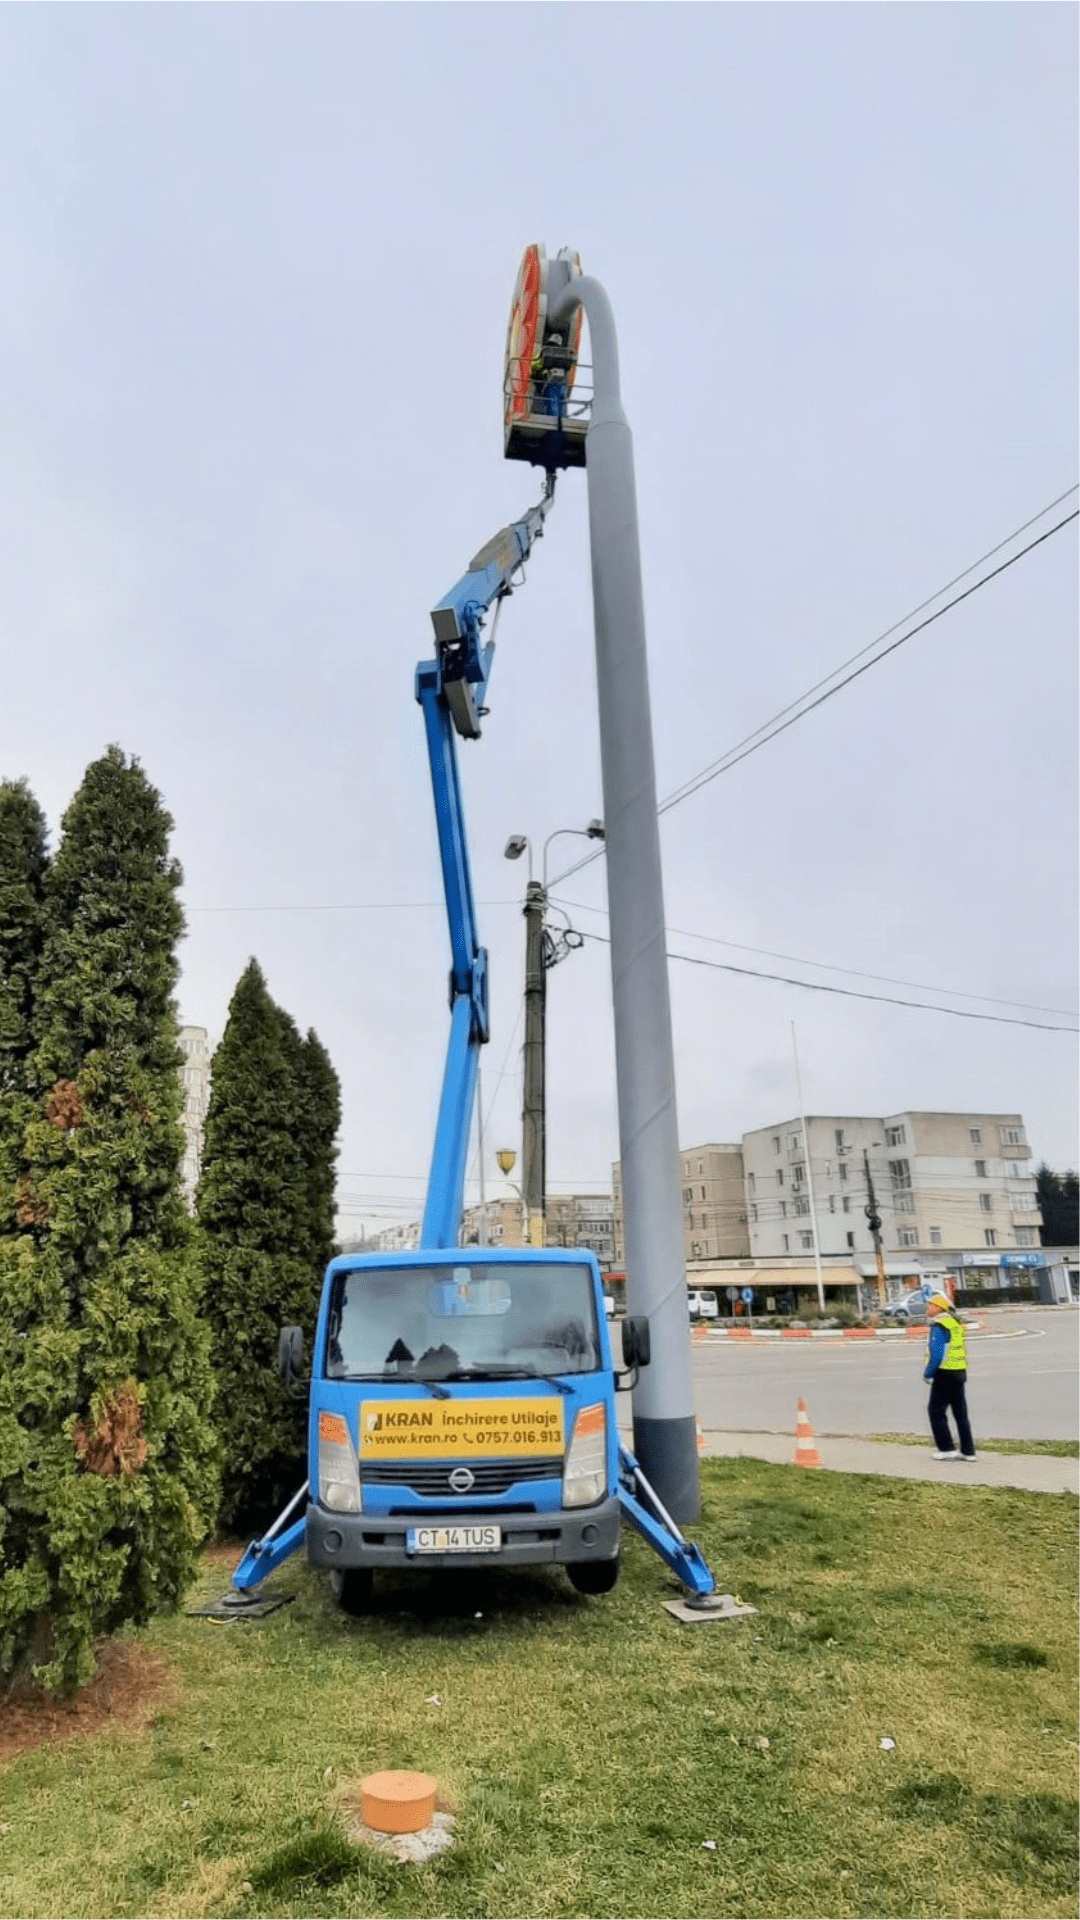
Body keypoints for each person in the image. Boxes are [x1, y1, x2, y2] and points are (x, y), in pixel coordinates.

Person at [923, 1292, 977, 1460]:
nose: (927, 1308)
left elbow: (937, 1354)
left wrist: (928, 1373)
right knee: (960, 1414)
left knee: (936, 1411)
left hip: (944, 1373)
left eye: (930, 1305)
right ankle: (968, 1451)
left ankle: (946, 1449)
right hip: (959, 1372)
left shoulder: (939, 1325)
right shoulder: (954, 1324)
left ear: (938, 1308)